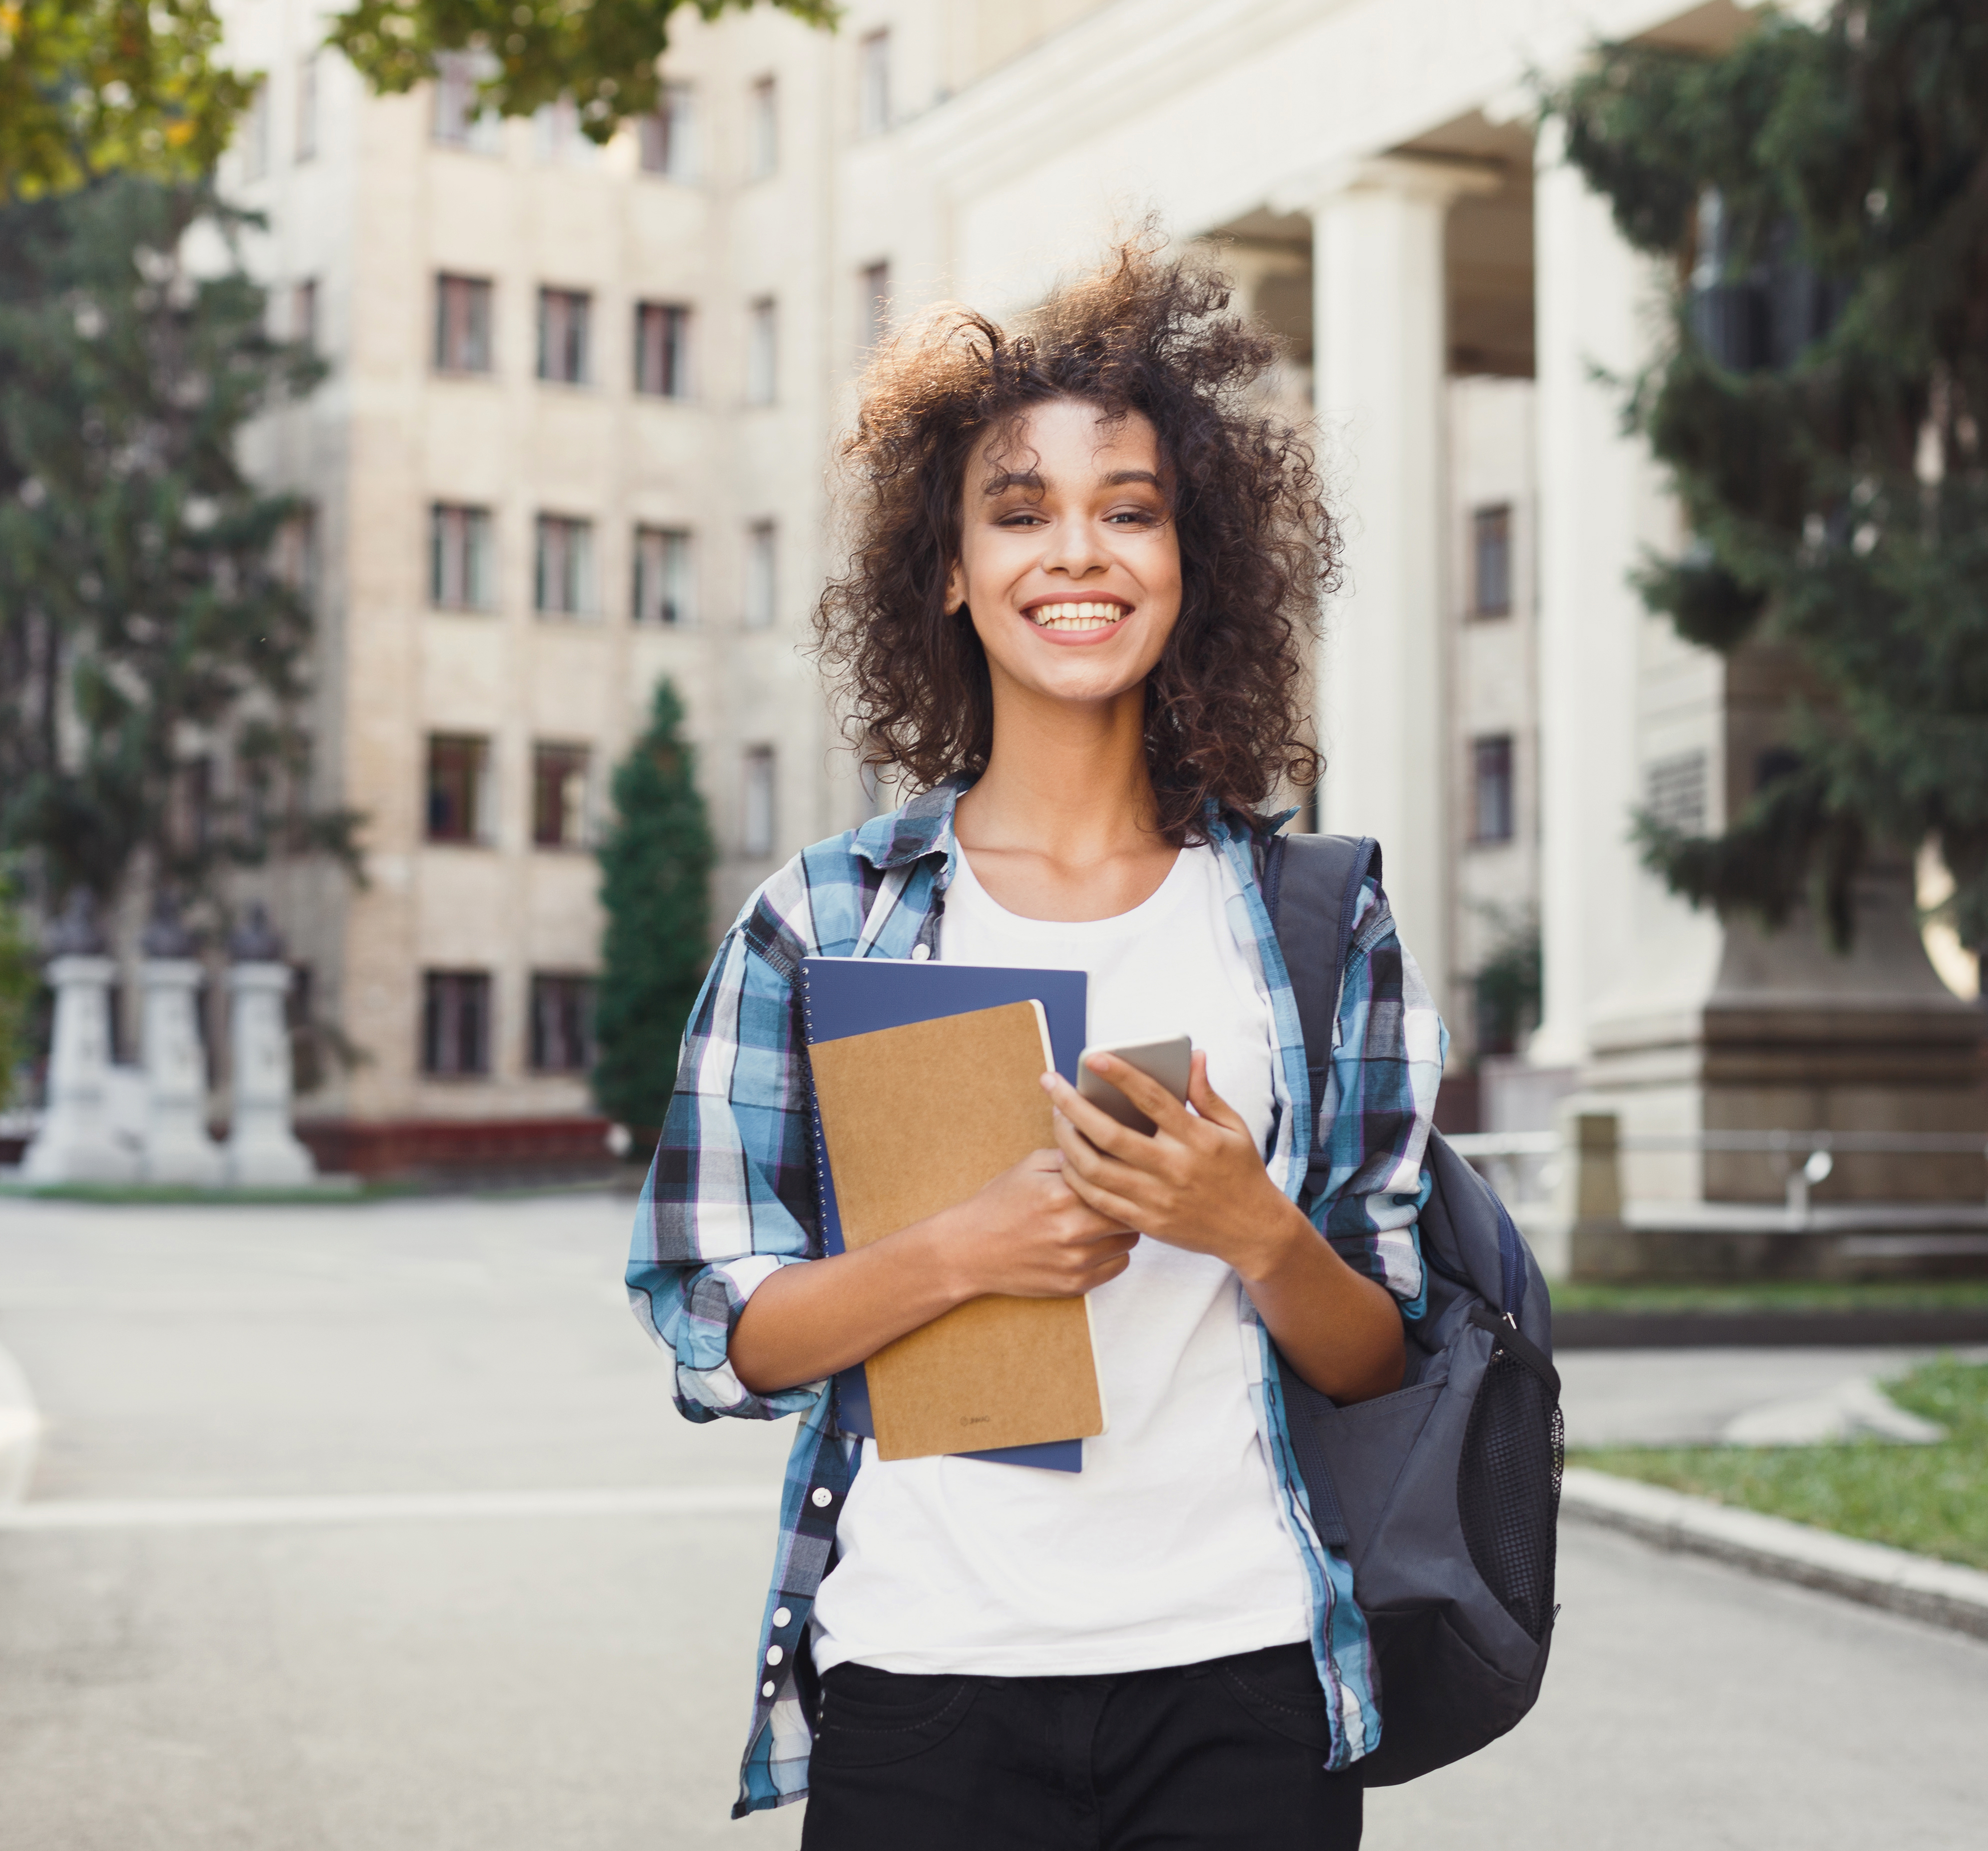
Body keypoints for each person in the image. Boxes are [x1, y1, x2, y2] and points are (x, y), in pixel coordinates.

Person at [626, 238, 1446, 1849]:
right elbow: (713, 1333)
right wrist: (967, 1251)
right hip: (925, 1679)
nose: (1079, 553)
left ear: (1191, 554)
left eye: (1129, 509)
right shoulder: (826, 924)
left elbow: (1382, 1352)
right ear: (946, 567)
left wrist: (1250, 1232)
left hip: (1240, 1679)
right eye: (1019, 511)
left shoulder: (1308, 918)